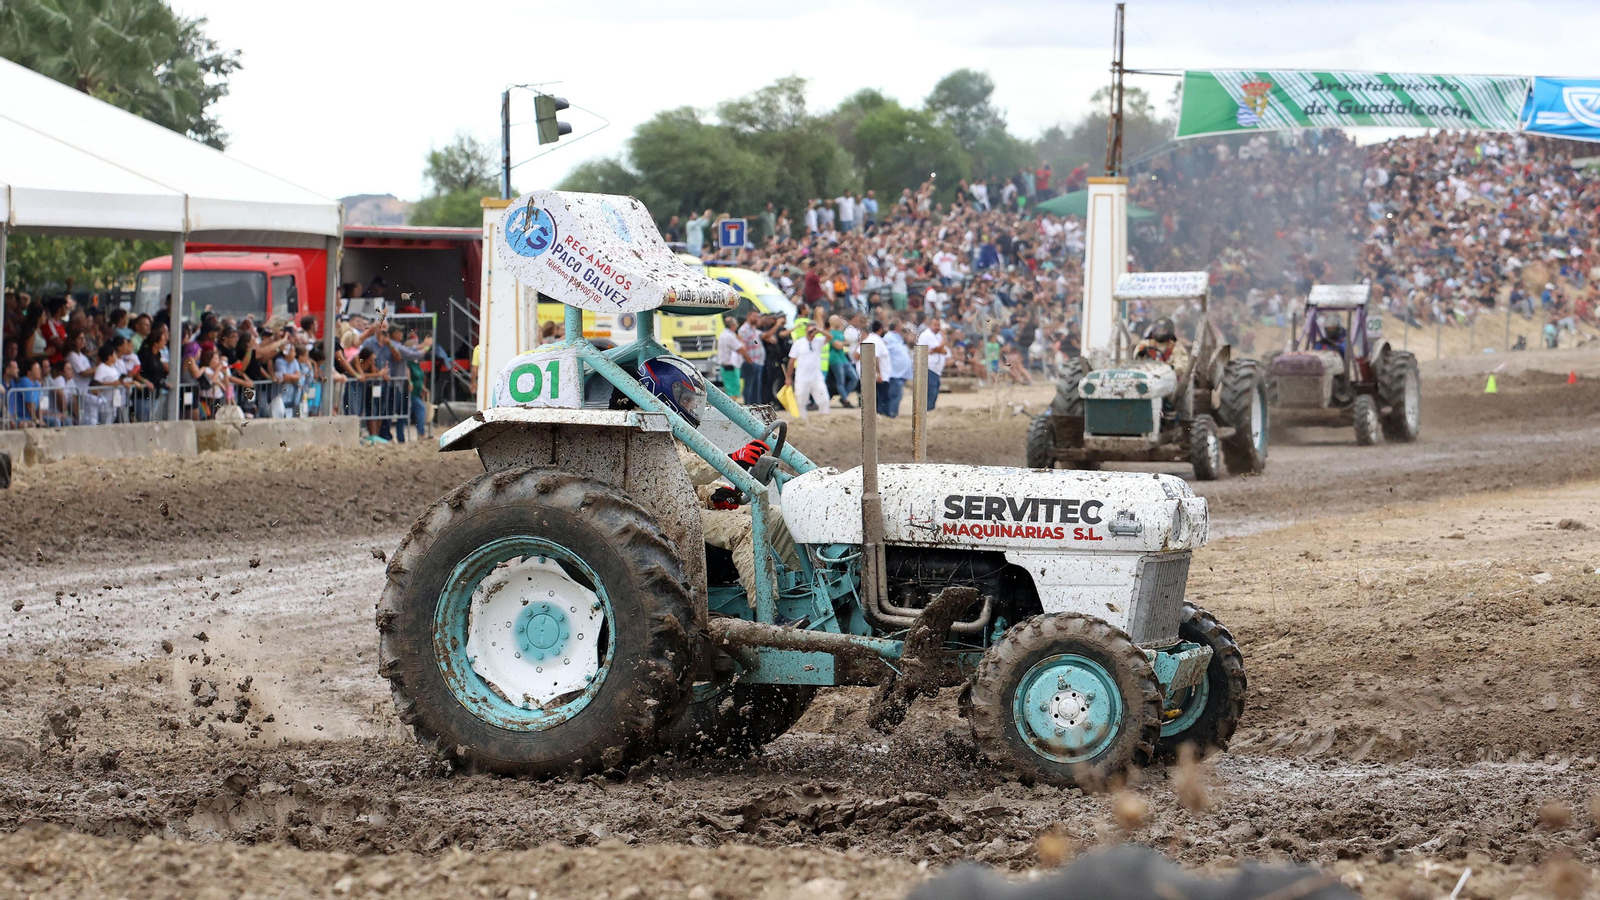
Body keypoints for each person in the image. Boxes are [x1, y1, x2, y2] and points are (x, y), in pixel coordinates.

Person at [786, 319, 830, 422]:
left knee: (824, 399)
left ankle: (824, 420)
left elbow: (830, 337)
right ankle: (801, 420)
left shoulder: (819, 341)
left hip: (816, 377)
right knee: (801, 401)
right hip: (802, 377)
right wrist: (788, 377)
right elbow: (791, 361)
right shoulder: (798, 343)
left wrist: (819, 330)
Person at [918, 315, 949, 410]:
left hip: (936, 369)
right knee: (931, 392)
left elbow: (944, 351)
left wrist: (936, 350)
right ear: (930, 325)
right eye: (935, 325)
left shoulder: (936, 336)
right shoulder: (927, 335)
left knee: (935, 391)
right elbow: (939, 347)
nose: (937, 327)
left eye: (939, 325)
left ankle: (931, 410)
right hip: (929, 367)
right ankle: (928, 411)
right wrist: (944, 337)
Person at [737, 310, 767, 406]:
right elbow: (742, 346)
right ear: (749, 316)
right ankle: (748, 405)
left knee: (756, 387)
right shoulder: (744, 330)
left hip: (758, 362)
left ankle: (756, 406)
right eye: (754, 316)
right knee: (749, 386)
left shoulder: (753, 328)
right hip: (749, 362)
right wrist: (748, 360)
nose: (756, 319)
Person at [883, 321, 912, 418]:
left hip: (900, 373)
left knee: (897, 395)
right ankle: (892, 414)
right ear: (896, 327)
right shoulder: (889, 337)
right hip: (894, 373)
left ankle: (892, 413)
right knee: (895, 395)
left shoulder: (899, 338)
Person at [716, 314, 746, 398]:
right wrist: (741, 339)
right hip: (729, 367)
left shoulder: (725, 334)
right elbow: (740, 348)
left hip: (728, 366)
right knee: (733, 391)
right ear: (733, 325)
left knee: (732, 389)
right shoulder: (728, 336)